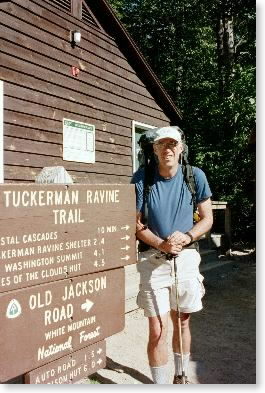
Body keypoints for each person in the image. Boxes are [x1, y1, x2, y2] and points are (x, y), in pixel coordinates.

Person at [131, 126, 213, 384]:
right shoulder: (141, 178)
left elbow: (207, 218)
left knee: (182, 321)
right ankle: (160, 385)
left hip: (186, 258)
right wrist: (159, 243)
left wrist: (188, 236)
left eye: (172, 144)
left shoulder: (194, 176)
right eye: (161, 145)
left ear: (180, 149)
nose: (167, 149)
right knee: (158, 328)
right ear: (154, 149)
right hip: (152, 260)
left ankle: (181, 375)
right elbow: (133, 223)